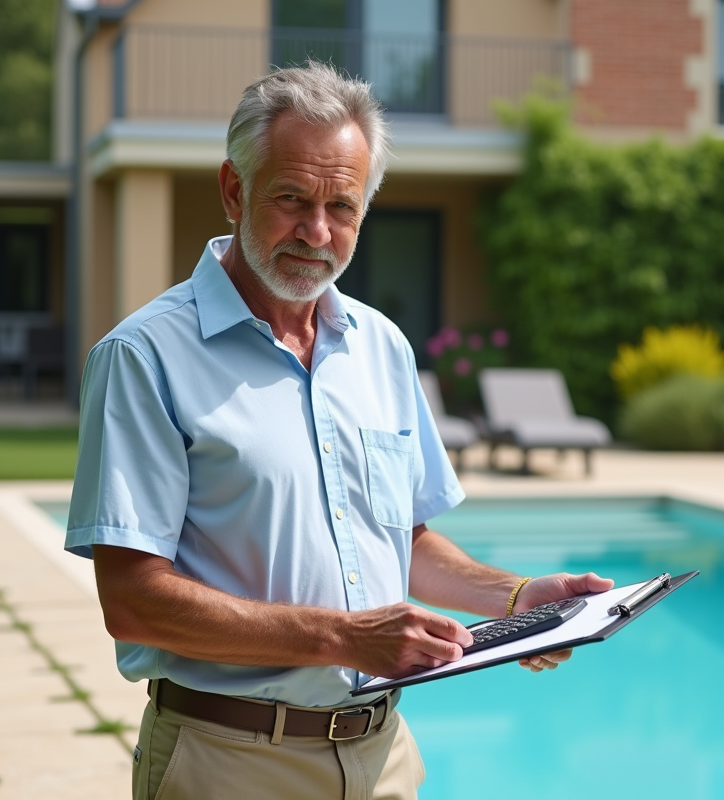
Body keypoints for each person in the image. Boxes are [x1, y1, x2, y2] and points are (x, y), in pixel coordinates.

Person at [65, 63, 613, 800]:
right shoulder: (144, 356)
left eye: (342, 207)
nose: (317, 232)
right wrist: (343, 636)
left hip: (384, 755)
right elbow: (132, 598)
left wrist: (517, 599)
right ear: (235, 189)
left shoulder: (382, 347)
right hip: (228, 762)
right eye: (291, 198)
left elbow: (401, 538)